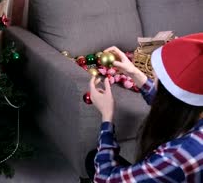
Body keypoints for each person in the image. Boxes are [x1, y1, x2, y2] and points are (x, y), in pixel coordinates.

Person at [86, 33, 203, 182]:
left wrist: (107, 116)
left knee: (93, 161)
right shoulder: (196, 108)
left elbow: (103, 178)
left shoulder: (174, 158)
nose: (153, 79)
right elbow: (176, 106)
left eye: (155, 77)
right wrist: (133, 72)